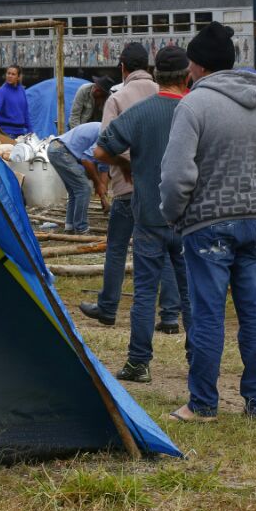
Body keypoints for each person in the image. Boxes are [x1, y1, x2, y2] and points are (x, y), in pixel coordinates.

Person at [159, 22, 256, 421]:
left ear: (198, 66)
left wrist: (174, 214)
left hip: (207, 225)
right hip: (254, 223)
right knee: (253, 314)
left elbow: (176, 175)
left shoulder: (194, 105)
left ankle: (202, 404)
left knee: (207, 316)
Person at [94, 48, 196, 384]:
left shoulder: (140, 111)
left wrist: (125, 164)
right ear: (187, 76)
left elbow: (100, 150)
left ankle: (139, 363)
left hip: (150, 213)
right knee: (191, 293)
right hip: (189, 218)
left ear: (157, 72)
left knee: (144, 293)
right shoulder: (196, 109)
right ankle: (197, 359)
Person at [78, 44, 182, 335]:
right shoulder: (166, 95)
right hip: (163, 188)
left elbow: (105, 145)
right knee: (166, 250)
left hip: (127, 187)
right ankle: (170, 315)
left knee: (117, 247)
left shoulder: (117, 98)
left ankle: (108, 307)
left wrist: (127, 166)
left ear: (122, 66)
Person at [46, 121, 108, 235]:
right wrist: (98, 183)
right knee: (84, 189)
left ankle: (70, 226)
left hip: (56, 148)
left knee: (75, 191)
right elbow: (86, 160)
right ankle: (81, 228)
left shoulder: (110, 143)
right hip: (61, 150)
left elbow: (103, 170)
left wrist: (104, 198)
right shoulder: (107, 134)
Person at [0, 65, 32, 138]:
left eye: (13, 74)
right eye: (8, 73)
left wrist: (30, 130)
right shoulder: (1, 91)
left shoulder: (22, 91)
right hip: (6, 133)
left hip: (21, 133)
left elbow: (25, 112)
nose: (10, 76)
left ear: (18, 77)